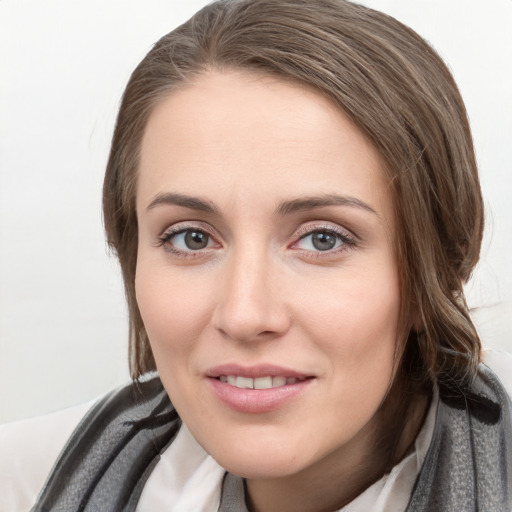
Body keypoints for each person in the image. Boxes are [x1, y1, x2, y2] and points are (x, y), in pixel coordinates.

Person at [1, 0, 511, 510]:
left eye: (323, 239)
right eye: (191, 238)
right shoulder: (26, 486)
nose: (245, 315)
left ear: (438, 271)